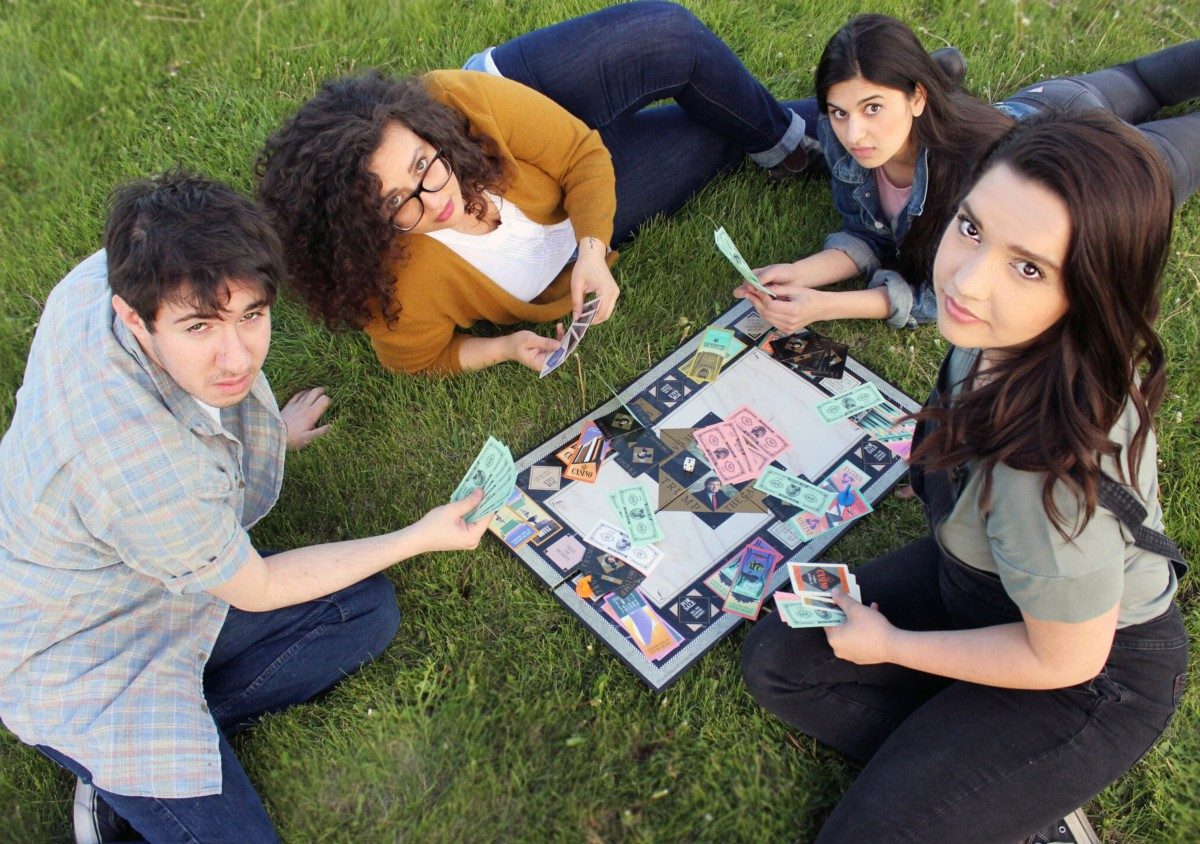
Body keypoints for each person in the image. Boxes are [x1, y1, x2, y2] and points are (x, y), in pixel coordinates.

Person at [0, 173, 491, 843]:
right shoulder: (141, 464)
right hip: (83, 652)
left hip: (146, 576)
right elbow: (258, 589)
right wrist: (420, 535)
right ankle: (115, 777)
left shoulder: (117, 272)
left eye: (253, 314)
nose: (235, 358)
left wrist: (263, 432)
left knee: (364, 612)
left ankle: (179, 736)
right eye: (200, 326)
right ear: (134, 318)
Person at [741, 110, 1189, 841]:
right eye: (974, 228)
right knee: (782, 659)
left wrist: (893, 648)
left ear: (1090, 288)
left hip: (1091, 678)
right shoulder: (998, 336)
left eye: (1028, 267)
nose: (967, 281)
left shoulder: (1045, 480)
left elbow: (1066, 657)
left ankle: (1022, 795)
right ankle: (988, 778)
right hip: (983, 585)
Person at [256, 2, 823, 376]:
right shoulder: (393, 287)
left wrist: (594, 252)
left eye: (424, 165)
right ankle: (852, 120)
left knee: (668, 34)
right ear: (367, 228)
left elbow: (580, 153)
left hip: (521, 115)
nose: (435, 197)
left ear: (428, 133)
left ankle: (791, 146)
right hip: (568, 208)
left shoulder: (454, 104)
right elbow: (421, 358)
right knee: (712, 133)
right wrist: (503, 347)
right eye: (398, 203)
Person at [738, 14, 1200, 334]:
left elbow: (948, 295)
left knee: (1148, 81)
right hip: (1038, 112)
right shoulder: (841, 137)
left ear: (917, 98)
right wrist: (800, 274)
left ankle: (943, 73)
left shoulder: (974, 181)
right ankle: (941, 74)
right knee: (1143, 81)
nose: (855, 133)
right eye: (839, 112)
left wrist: (828, 307)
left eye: (873, 108)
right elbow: (868, 235)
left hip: (1096, 167)